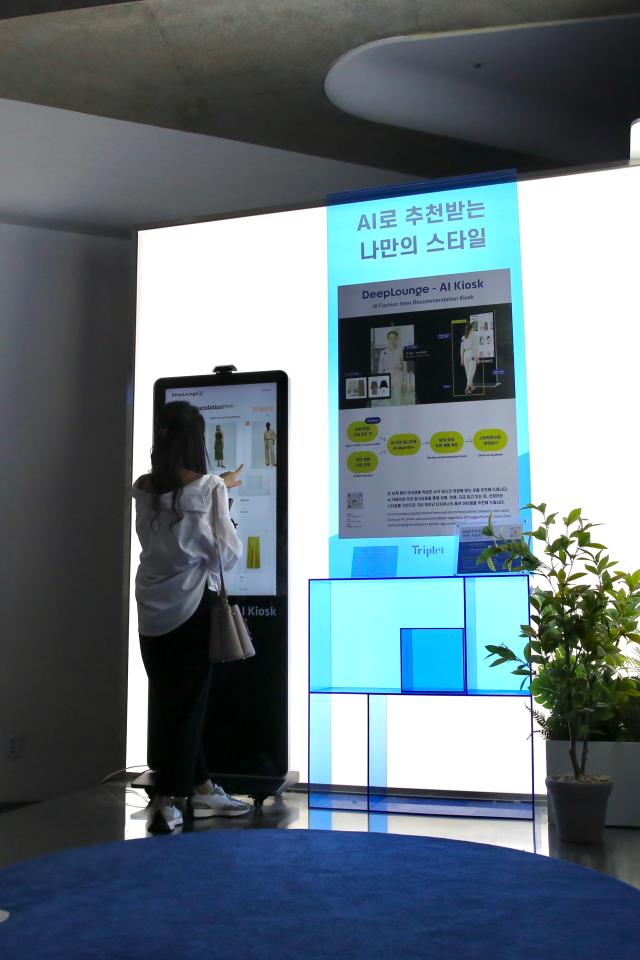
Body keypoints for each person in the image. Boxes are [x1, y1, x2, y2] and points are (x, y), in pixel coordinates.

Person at [132, 400, 249, 834]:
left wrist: (224, 484)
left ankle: (200, 789)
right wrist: (222, 491)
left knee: (170, 701)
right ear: (197, 440)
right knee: (184, 708)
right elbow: (228, 554)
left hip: (150, 610)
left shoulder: (144, 487)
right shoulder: (208, 488)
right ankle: (167, 799)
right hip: (192, 609)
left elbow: (171, 526)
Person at [376, 329, 407, 403]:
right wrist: (380, 384)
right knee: (387, 402)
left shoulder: (401, 351)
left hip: (398, 376)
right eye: (390, 338)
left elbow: (405, 367)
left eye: (394, 338)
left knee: (398, 401)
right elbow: (380, 369)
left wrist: (404, 383)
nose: (392, 340)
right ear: (387, 339)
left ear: (397, 339)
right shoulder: (383, 352)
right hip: (386, 378)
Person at [460, 322, 479, 395]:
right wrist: (477, 358)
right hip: (471, 353)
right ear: (471, 328)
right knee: (472, 371)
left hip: (465, 355)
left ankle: (471, 386)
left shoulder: (463, 337)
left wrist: (461, 359)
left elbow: (461, 349)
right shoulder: (473, 335)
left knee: (468, 373)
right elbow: (475, 347)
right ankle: (467, 388)